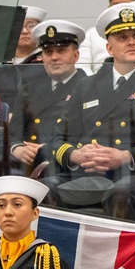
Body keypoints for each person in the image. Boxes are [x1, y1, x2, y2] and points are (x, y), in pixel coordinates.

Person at [49, 2, 135, 220]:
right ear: (109, 48)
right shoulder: (86, 86)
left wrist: (125, 156)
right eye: (122, 37)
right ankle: (53, 252)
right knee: (40, 190)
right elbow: (58, 139)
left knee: (122, 193)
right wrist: (75, 154)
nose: (131, 41)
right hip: (86, 172)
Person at [8, 19, 87, 174]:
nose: (54, 58)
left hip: (68, 168)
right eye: (48, 52)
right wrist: (17, 149)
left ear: (76, 55)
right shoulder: (30, 89)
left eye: (61, 51)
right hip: (30, 165)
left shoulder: (89, 87)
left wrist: (47, 149)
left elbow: (88, 136)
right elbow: (13, 133)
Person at [76, 0, 135, 73]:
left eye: (125, 6)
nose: (119, 10)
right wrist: (96, 83)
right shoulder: (92, 34)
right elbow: (82, 66)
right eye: (115, 6)